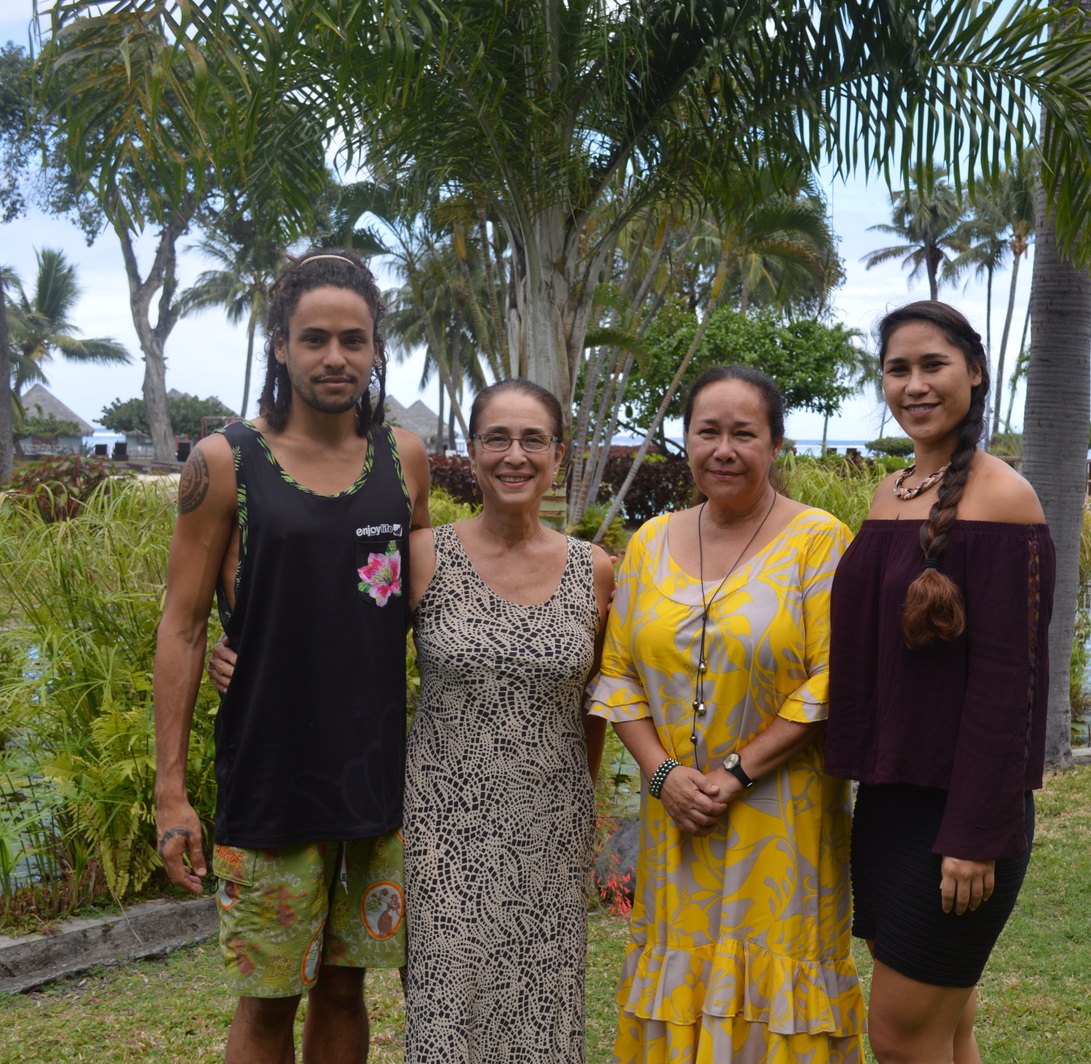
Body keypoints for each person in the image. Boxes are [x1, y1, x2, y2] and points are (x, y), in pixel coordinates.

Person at [153, 249, 431, 1064]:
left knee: (346, 987)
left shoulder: (401, 458)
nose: (335, 357)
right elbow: (183, 622)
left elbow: (427, 599)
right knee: (270, 997)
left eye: (354, 339)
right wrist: (171, 792)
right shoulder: (224, 461)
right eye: (314, 339)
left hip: (374, 774)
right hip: (270, 772)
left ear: (377, 348)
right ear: (280, 345)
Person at [591, 365, 864, 1064]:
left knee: (774, 986)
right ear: (685, 442)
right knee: (679, 972)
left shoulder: (819, 542)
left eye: (745, 433)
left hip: (783, 819)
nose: (724, 449)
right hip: (676, 821)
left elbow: (835, 678)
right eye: (706, 431)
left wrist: (738, 772)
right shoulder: (650, 543)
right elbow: (618, 675)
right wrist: (663, 776)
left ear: (776, 444)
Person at [824, 301, 1054, 1064]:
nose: (915, 385)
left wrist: (974, 836)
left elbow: (1006, 687)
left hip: (960, 818)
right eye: (898, 369)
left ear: (976, 373)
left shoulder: (1004, 498)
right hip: (892, 799)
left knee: (895, 1036)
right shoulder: (891, 492)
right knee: (946, 1031)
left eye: (934, 365)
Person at [402, 379, 613, 1063]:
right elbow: (344, 651)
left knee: (543, 1011)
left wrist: (582, 796)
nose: (514, 455)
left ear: (560, 455)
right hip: (443, 829)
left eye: (533, 440)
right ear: (471, 451)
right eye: (498, 437)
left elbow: (602, 704)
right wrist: (241, 655)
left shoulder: (597, 571)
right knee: (447, 1014)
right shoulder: (423, 556)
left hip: (550, 826)